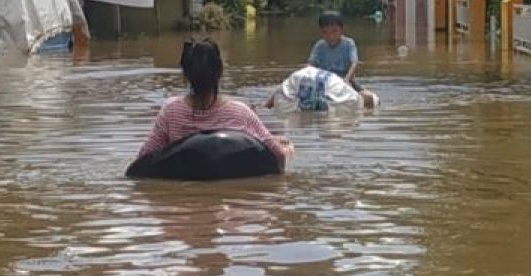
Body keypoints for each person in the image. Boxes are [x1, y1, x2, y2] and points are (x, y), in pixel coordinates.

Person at [139, 39, 294, 169]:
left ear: (185, 75)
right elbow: (278, 156)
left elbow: (143, 159)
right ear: (220, 72)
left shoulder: (171, 111)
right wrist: (286, 150)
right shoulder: (240, 112)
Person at [308, 12, 377, 106]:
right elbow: (311, 64)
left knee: (368, 98)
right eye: (325, 32)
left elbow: (354, 63)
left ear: (342, 29)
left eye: (334, 31)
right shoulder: (319, 46)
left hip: (345, 78)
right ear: (321, 32)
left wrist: (346, 80)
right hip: (325, 80)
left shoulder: (349, 43)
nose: (330, 36)